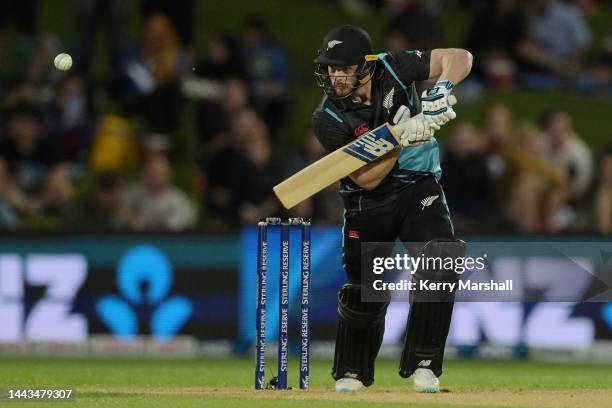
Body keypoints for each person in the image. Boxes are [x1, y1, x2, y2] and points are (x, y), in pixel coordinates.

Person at [311, 25, 472, 393]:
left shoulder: (394, 67)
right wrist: (406, 132)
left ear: (365, 66)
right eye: (330, 68)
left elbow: (460, 57)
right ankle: (352, 372)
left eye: (344, 68)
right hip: (366, 201)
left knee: (442, 258)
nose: (336, 75)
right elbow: (367, 177)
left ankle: (425, 365)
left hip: (417, 185)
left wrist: (443, 87)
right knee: (366, 288)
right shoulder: (328, 118)